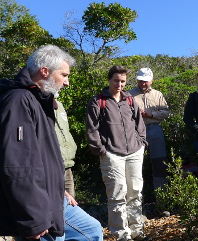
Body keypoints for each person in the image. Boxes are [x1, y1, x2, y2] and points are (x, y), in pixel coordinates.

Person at [0, 45, 73, 241]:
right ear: (45, 71)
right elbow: (18, 165)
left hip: (52, 195)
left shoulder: (38, 100)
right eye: (64, 75)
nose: (66, 83)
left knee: (91, 230)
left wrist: (60, 188)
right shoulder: (19, 100)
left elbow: (42, 155)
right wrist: (33, 219)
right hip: (35, 208)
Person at [86, 66, 150, 241]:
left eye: (123, 81)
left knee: (136, 192)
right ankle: (122, 235)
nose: (120, 84)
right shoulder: (98, 101)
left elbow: (139, 123)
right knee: (117, 194)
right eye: (116, 80)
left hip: (135, 152)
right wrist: (101, 150)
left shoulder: (129, 99)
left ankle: (137, 231)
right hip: (112, 155)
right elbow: (92, 129)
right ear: (109, 80)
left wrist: (142, 142)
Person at [55, 100, 104, 241]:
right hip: (52, 169)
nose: (66, 83)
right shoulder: (35, 104)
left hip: (67, 165)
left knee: (70, 210)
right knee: (57, 219)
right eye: (63, 76)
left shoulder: (59, 105)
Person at [129, 68, 171, 190]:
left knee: (159, 162)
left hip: (155, 129)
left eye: (145, 81)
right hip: (136, 131)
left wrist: (151, 115)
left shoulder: (158, 94)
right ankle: (137, 198)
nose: (143, 83)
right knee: (135, 164)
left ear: (151, 81)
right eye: (140, 81)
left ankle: (161, 196)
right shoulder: (129, 95)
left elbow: (166, 112)